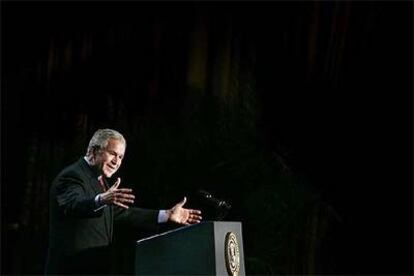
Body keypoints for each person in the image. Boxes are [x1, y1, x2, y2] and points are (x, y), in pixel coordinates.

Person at [45, 128, 202, 275]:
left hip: (92, 267)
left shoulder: (98, 179)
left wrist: (166, 215)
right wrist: (101, 200)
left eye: (120, 157)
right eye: (113, 154)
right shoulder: (72, 176)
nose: (116, 162)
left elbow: (123, 213)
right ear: (94, 151)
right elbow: (74, 205)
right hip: (70, 269)